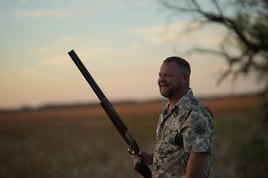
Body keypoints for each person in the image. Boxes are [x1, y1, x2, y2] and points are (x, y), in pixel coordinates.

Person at [132, 56, 214, 178]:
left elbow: (198, 156)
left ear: (185, 78)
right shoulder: (168, 109)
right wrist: (150, 158)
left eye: (169, 76)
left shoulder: (194, 113)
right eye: (160, 75)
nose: (162, 79)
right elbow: (175, 149)